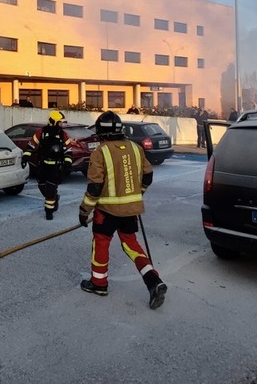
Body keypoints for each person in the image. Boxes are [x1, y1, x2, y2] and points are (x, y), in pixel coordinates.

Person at [78, 111, 166, 309]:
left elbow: (94, 188)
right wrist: (137, 194)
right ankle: (153, 281)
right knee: (131, 245)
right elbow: (148, 177)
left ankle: (99, 283)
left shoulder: (100, 151)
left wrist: (84, 211)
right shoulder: (136, 148)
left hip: (107, 211)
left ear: (101, 132)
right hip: (130, 210)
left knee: (101, 244)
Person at [24, 110, 72, 220]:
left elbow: (68, 150)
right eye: (60, 122)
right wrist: (25, 157)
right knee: (41, 186)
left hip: (55, 166)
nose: (61, 124)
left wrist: (67, 164)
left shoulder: (63, 134)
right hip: (43, 165)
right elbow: (31, 145)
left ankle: (49, 211)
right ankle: (54, 197)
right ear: (54, 121)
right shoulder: (41, 132)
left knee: (50, 189)